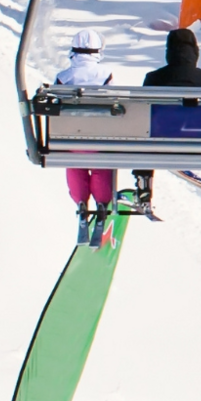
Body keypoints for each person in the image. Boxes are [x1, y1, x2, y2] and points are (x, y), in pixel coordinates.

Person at [139, 27, 201, 215]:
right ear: (195, 52)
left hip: (160, 141)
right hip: (199, 141)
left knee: (143, 133)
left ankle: (143, 184)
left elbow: (142, 111)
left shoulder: (153, 78)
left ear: (169, 51)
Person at [53, 30, 117, 243]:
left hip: (71, 139)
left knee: (75, 164)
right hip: (99, 138)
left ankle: (81, 204)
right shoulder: (105, 74)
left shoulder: (64, 78)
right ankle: (101, 204)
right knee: (100, 165)